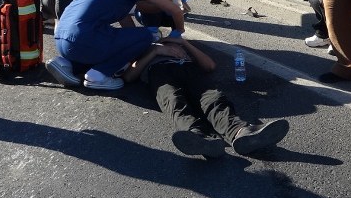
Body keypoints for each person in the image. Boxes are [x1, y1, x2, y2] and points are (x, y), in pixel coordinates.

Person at [122, 36, 289, 158]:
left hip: (188, 68)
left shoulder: (182, 48)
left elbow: (209, 66)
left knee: (212, 98)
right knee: (174, 101)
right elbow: (129, 76)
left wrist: (184, 43)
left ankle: (240, 132)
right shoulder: (145, 48)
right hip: (160, 72)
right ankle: (199, 137)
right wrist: (155, 50)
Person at [47, 0, 184, 91]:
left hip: (62, 40)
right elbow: (175, 9)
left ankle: (67, 64)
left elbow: (127, 26)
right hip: (82, 39)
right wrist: (178, 33)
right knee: (146, 35)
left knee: (125, 40)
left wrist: (138, 46)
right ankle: (98, 76)